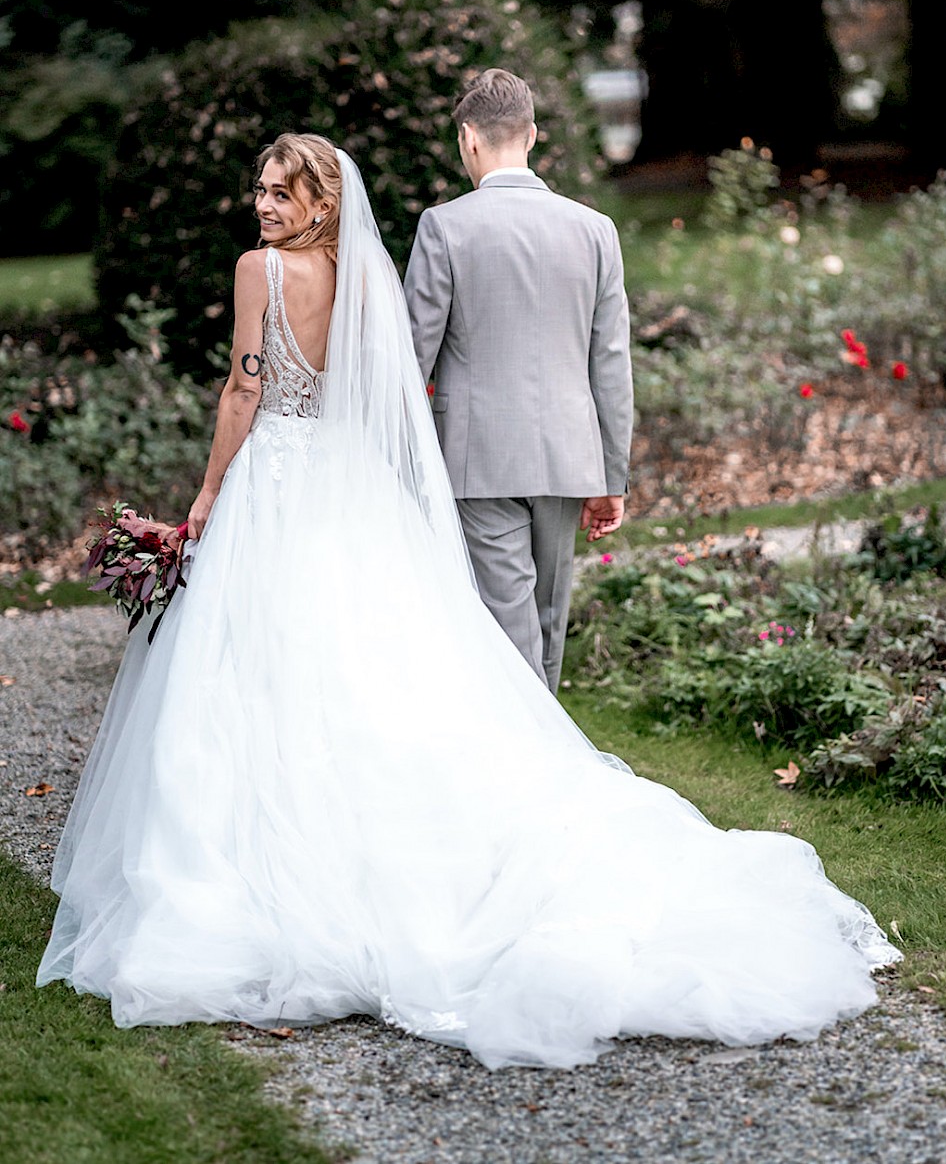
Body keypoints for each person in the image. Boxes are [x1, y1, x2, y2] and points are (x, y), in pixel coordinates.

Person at [37, 132, 899, 1071]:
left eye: (283, 192)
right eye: (261, 190)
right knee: (366, 661)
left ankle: (265, 875)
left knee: (261, 666)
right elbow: (380, 390)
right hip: (348, 482)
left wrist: (206, 496)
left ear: (321, 202)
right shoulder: (362, 271)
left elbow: (245, 391)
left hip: (278, 479)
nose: (265, 206)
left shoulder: (261, 272)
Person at [404, 69, 632, 692]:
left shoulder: (444, 227)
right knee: (546, 622)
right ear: (531, 135)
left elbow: (411, 360)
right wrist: (612, 476)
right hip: (567, 455)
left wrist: (401, 460)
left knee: (507, 626)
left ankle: (528, 769)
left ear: (469, 139)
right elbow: (610, 363)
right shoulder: (594, 230)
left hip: (477, 460)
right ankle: (548, 758)